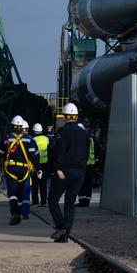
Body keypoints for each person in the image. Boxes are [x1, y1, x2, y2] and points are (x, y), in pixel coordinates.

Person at [48, 102, 90, 242]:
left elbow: (59, 152)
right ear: (76, 116)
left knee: (53, 199)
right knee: (70, 202)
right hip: (80, 172)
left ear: (65, 117)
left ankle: (61, 227)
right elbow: (86, 152)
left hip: (65, 171)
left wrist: (58, 168)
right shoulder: (84, 133)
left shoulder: (61, 132)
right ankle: (64, 236)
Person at [0, 116, 39, 225]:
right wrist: (38, 169)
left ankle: (15, 214)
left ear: (12, 126)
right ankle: (22, 212)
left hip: (11, 169)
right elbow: (33, 156)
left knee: (12, 194)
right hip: (24, 169)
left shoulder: (7, 138)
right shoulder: (29, 139)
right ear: (22, 126)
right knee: (21, 194)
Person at [31, 123, 50, 206]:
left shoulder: (33, 139)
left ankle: (35, 202)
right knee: (43, 184)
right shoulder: (46, 138)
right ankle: (43, 202)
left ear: (34, 130)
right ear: (41, 130)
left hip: (36, 164)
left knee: (34, 184)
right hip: (45, 164)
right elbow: (52, 148)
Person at [77, 131, 97, 207]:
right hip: (91, 165)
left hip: (84, 165)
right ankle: (87, 201)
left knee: (82, 184)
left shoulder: (81, 140)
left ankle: (82, 201)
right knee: (88, 184)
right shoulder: (91, 139)